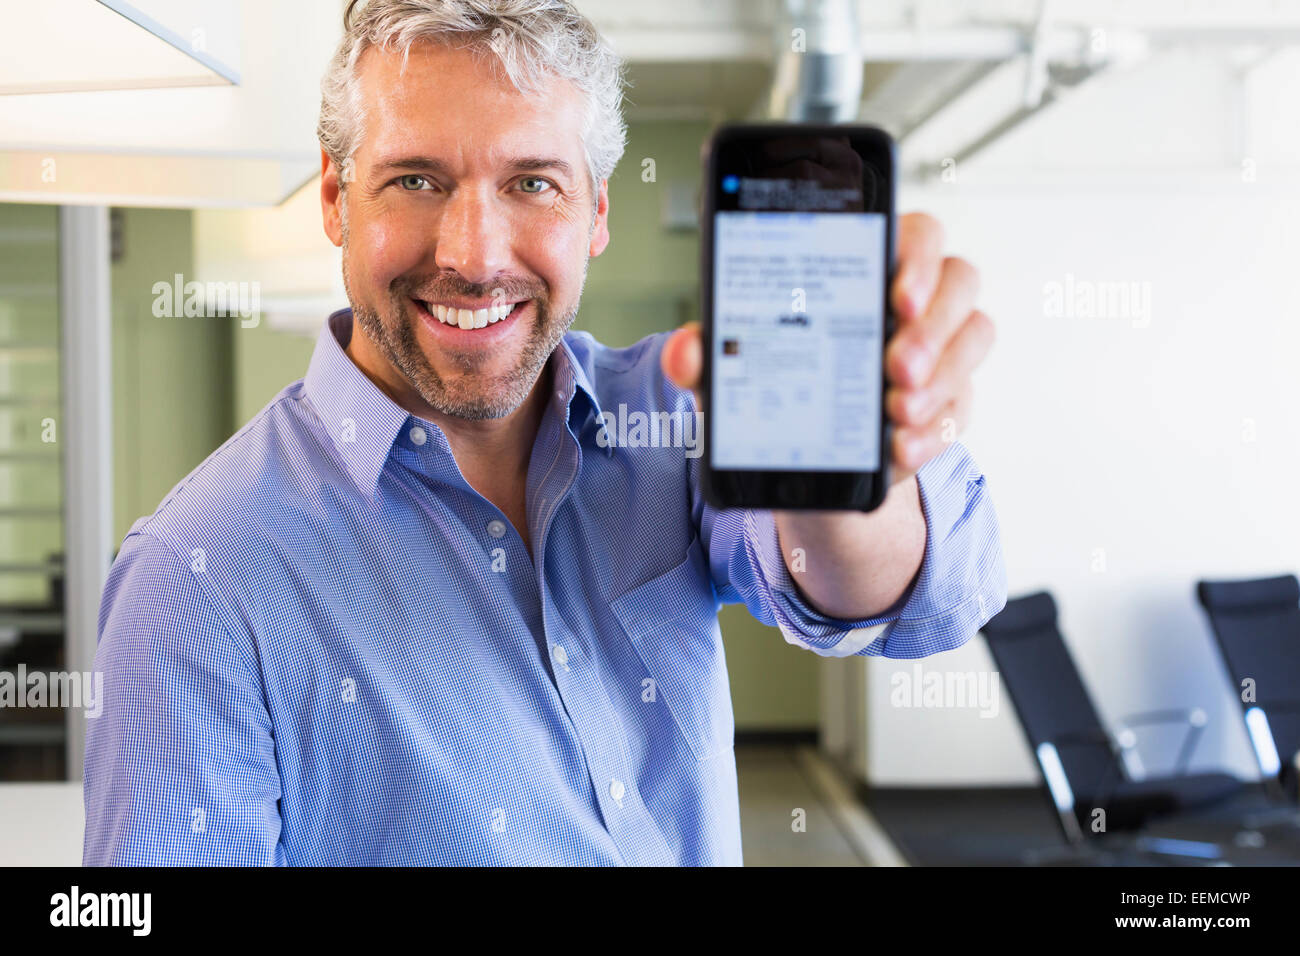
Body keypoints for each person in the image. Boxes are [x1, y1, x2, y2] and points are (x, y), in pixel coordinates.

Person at [83, 0, 1005, 866]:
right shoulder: (196, 579)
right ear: (334, 198)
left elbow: (897, 599)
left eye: (532, 182)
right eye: (414, 179)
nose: (474, 255)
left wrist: (856, 464)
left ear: (597, 211)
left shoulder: (674, 413)